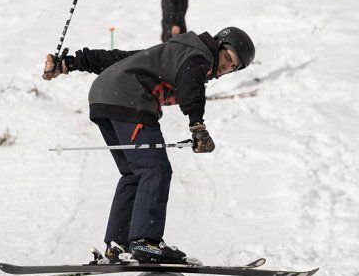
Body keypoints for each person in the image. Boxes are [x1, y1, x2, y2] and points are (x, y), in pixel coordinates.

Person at [42, 27, 254, 263]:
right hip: (129, 100)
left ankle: (117, 244)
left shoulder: (177, 51)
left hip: (104, 98)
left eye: (233, 67)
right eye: (227, 59)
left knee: (133, 174)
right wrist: (197, 125)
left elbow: (122, 58)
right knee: (155, 170)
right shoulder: (199, 56)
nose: (226, 68)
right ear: (219, 45)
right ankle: (146, 242)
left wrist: (70, 63)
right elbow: (191, 85)